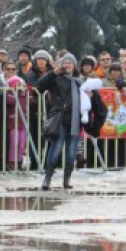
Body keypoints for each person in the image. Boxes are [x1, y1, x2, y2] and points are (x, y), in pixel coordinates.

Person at [36, 54, 82, 190]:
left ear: (74, 65)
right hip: (59, 118)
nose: (67, 65)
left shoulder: (79, 81)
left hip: (75, 119)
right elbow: (40, 86)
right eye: (65, 62)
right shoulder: (55, 78)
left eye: (70, 63)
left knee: (71, 152)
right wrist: (53, 73)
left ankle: (67, 179)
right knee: (55, 149)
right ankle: (47, 178)